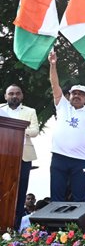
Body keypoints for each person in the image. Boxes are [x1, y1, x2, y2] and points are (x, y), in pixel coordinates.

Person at [48, 50, 85, 202]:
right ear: (69, 95)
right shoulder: (62, 105)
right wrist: (53, 65)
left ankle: (78, 220)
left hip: (80, 159)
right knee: (57, 196)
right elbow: (54, 84)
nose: (77, 96)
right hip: (59, 156)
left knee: (80, 197)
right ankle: (55, 219)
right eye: (74, 93)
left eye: (81, 94)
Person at [1, 85, 39, 230]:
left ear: (22, 96)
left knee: (20, 192)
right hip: (2, 156)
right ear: (5, 96)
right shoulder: (0, 110)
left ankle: (15, 228)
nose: (14, 96)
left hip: (23, 157)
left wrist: (17, 129)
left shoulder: (30, 111)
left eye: (17, 93)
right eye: (11, 94)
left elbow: (34, 131)